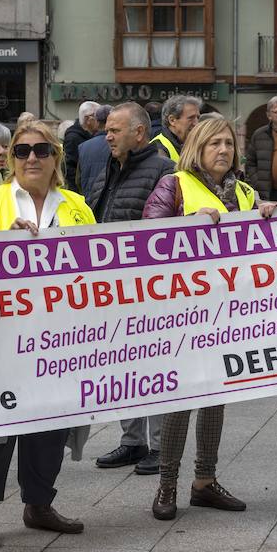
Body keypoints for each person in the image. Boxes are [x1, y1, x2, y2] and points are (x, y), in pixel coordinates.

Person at [0, 121, 92, 549]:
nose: (30, 158)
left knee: (49, 425)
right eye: (21, 151)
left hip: (56, 339)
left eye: (40, 150)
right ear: (11, 158)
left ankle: (38, 504)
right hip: (0, 339)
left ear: (56, 158)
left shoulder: (77, 206)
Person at [142, 116, 277, 520]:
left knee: (217, 396)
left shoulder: (245, 192)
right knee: (181, 398)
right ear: (197, 148)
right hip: (181, 312)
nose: (223, 150)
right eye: (214, 143)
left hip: (228, 312)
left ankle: (204, 481)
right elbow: (145, 238)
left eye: (228, 144)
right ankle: (167, 484)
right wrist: (185, 225)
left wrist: (270, 215)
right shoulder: (175, 185)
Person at [83, 103, 175, 475]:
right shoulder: (109, 167)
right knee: (122, 366)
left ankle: (160, 444)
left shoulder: (165, 171)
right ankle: (133, 441)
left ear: (139, 133)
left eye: (115, 130)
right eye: (106, 130)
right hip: (111, 288)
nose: (107, 136)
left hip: (148, 289)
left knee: (153, 367)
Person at [62, 101, 100, 193]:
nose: (100, 122)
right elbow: (70, 168)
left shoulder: (90, 135)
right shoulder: (73, 138)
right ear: (88, 119)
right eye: (98, 118)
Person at [152, 94, 201, 163]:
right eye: (191, 118)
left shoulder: (192, 145)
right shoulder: (158, 149)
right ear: (172, 120)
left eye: (198, 118)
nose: (196, 123)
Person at [75, 105, 113, 192]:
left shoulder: (83, 146)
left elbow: (78, 180)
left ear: (97, 121)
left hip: (88, 199)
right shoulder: (118, 144)